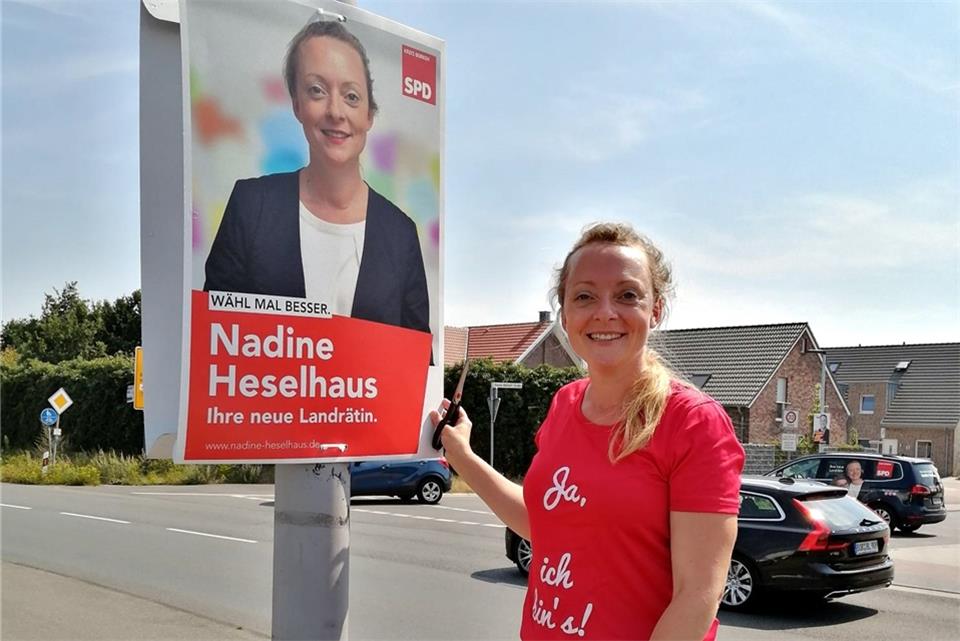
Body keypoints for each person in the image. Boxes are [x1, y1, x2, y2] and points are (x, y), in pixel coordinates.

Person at [432, 223, 745, 641]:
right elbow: (540, 523)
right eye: (584, 296)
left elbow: (697, 596)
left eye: (627, 295)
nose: (605, 312)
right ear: (564, 313)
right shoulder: (564, 404)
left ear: (655, 309)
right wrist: (463, 458)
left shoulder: (692, 422)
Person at [204, 19, 431, 334]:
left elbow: (417, 364)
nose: (336, 112)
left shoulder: (401, 235)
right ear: (297, 103)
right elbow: (213, 341)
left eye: (351, 96)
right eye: (317, 90)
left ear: (369, 115)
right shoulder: (251, 207)